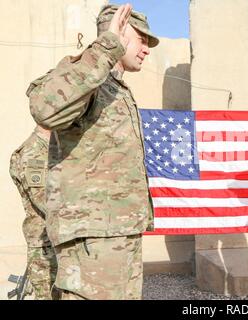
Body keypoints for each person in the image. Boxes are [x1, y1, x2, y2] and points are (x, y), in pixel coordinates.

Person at [27, 3, 159, 299]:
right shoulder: (89, 78)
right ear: (119, 32)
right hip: (92, 238)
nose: (148, 49)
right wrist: (106, 46)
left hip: (116, 234)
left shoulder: (116, 88)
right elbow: (45, 109)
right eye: (142, 39)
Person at [9, 126, 59, 300]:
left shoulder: (53, 148)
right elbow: (46, 202)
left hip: (58, 240)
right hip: (45, 246)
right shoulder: (33, 153)